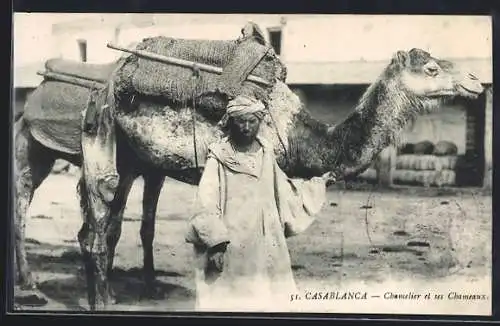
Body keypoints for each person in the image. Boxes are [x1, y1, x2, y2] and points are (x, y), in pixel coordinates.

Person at [185, 94, 336, 312]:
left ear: (259, 122)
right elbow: (206, 204)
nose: (246, 127)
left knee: (268, 301)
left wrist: (318, 185)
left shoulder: (265, 152)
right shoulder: (218, 157)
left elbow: (283, 189)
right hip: (233, 245)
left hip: (267, 243)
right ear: (231, 122)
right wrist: (217, 245)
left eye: (252, 121)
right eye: (241, 121)